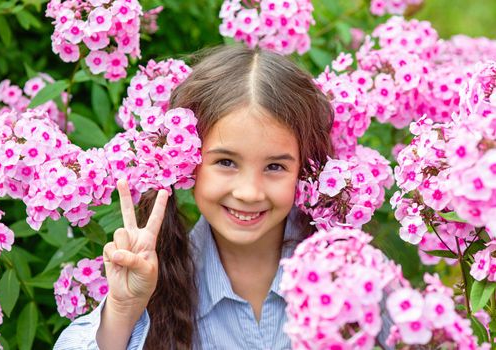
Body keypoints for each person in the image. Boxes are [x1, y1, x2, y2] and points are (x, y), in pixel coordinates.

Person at [54, 45, 387, 349]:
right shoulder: (155, 279)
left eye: (274, 166)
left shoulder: (350, 271)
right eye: (226, 162)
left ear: (304, 169)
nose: (249, 192)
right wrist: (122, 309)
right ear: (187, 163)